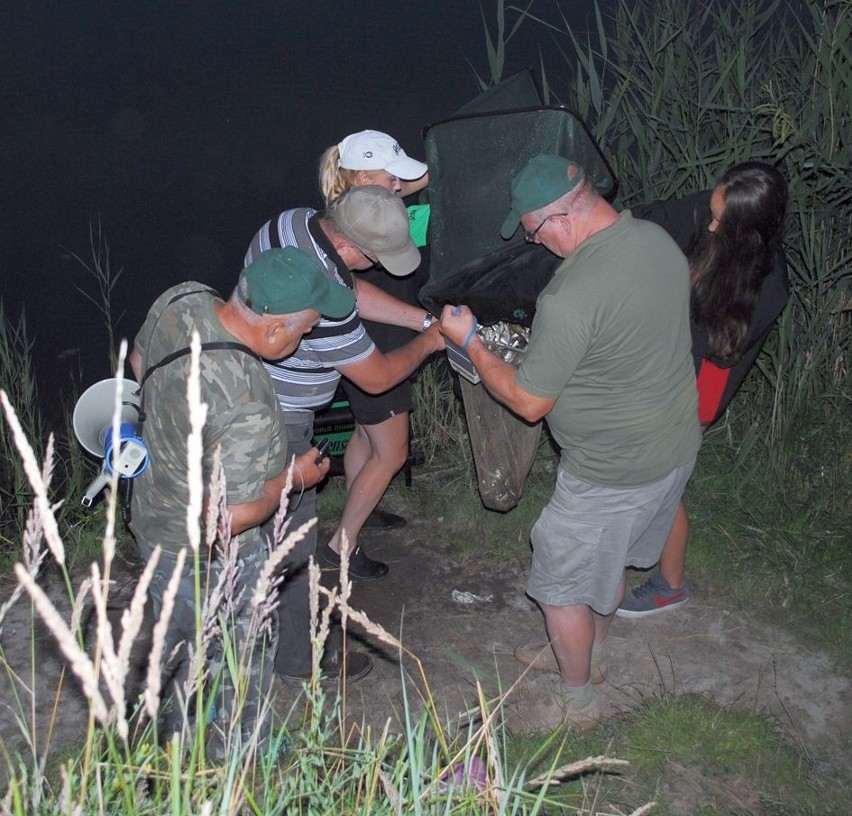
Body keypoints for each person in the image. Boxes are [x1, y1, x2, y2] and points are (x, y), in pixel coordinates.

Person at [440, 155, 701, 728]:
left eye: (533, 233)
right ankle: (590, 652)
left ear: (558, 219)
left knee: (559, 585)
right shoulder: (656, 241)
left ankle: (577, 697)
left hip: (612, 469)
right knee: (606, 566)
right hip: (675, 445)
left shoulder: (571, 294)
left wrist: (471, 342)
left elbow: (530, 403)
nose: (538, 245)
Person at [127, 248, 353, 750]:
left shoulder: (181, 299)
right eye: (307, 328)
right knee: (240, 655)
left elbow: (139, 364)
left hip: (150, 514)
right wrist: (293, 478)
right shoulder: (247, 398)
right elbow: (227, 517)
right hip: (208, 559)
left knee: (181, 649)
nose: (307, 336)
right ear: (274, 331)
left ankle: (174, 747)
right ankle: (237, 754)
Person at [243, 185, 445, 682]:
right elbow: (376, 376)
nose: (376, 267)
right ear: (353, 249)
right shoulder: (327, 309)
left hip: (240, 384)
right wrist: (432, 342)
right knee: (294, 536)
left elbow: (350, 289)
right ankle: (299, 660)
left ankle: (245, 623)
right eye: (375, 258)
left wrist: (421, 317)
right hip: (279, 415)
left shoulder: (293, 221)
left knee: (257, 524)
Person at [617, 161, 789, 617]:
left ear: (749, 233)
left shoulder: (769, 284)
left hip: (701, 381)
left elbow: (718, 348)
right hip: (664, 355)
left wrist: (653, 310)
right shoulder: (714, 207)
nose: (708, 223)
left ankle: (669, 583)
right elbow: (652, 218)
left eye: (720, 222)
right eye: (711, 208)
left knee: (660, 478)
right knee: (650, 472)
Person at [317, 130, 431, 581]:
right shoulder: (362, 220)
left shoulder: (351, 205)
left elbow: (417, 179)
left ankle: (357, 509)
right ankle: (341, 544)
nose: (400, 187)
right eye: (392, 180)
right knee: (392, 452)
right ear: (363, 176)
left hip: (365, 339)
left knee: (365, 434)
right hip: (379, 342)